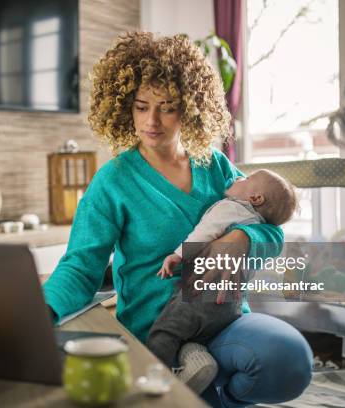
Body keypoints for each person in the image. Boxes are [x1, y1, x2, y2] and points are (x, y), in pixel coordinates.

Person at [43, 31, 313, 407]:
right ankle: (190, 387)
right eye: (141, 106)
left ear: (189, 107)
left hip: (223, 319)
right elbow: (80, 267)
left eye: (167, 106)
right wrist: (40, 309)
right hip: (156, 331)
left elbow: (272, 228)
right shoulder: (113, 181)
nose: (151, 120)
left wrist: (242, 241)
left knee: (291, 361)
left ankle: (217, 395)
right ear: (124, 106)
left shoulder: (215, 166)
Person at [148, 169, 299, 394]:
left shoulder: (231, 208)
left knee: (165, 333)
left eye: (246, 179)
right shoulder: (254, 220)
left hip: (200, 296)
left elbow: (204, 232)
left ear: (256, 198)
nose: (238, 177)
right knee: (192, 333)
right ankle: (195, 358)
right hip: (230, 307)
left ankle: (156, 383)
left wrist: (178, 255)